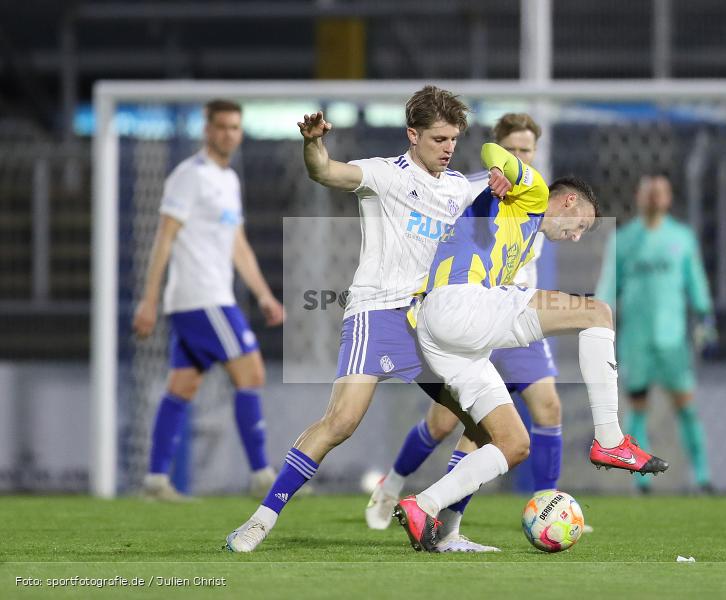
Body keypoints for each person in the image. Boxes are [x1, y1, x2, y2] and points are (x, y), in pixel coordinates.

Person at [226, 86, 485, 553]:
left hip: (429, 322)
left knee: (485, 423)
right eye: (439, 139)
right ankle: (260, 520)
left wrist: (513, 178)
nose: (448, 148)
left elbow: (501, 182)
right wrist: (313, 144)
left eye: (453, 140)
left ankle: (445, 532)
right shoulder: (383, 174)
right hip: (379, 312)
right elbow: (324, 171)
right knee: (341, 422)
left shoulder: (459, 186)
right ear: (413, 135)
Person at [393, 143, 669, 552]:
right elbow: (491, 149)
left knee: (513, 443)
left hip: (445, 337)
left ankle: (425, 507)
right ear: (570, 200)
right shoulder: (536, 193)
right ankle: (610, 440)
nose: (575, 237)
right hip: (456, 305)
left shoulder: (523, 234)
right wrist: (500, 171)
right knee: (598, 313)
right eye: (580, 225)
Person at [366, 114, 572, 543]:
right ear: (498, 148)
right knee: (449, 426)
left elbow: (545, 240)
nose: (520, 156)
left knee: (548, 407)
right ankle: (394, 485)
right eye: (512, 150)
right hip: (470, 313)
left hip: (515, 314)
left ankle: (548, 505)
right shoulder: (472, 186)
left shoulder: (538, 194)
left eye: (527, 150)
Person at [133, 99, 285, 500]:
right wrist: (148, 300)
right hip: (203, 297)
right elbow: (164, 238)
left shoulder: (228, 180)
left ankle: (154, 480)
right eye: (221, 126)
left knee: (182, 386)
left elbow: (238, 246)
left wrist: (264, 295)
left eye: (235, 127)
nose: (228, 134)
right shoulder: (190, 176)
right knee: (251, 372)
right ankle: (260, 476)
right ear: (207, 130)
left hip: (201, 299)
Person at [595, 174, 715, 494]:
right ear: (638, 196)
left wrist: (705, 316)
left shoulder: (681, 238)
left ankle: (703, 476)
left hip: (672, 338)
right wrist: (599, 324)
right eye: (649, 192)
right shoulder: (624, 238)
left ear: (669, 197)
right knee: (637, 405)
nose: (654, 197)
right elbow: (609, 286)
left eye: (660, 192)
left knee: (685, 403)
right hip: (636, 337)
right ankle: (642, 479)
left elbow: (695, 281)